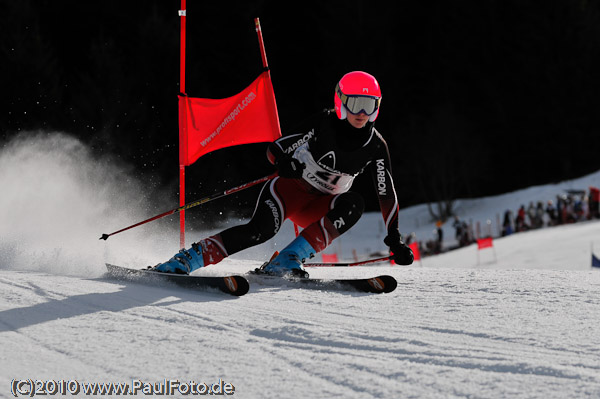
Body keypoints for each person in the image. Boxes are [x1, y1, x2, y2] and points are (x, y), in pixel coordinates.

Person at [153, 71, 414, 277]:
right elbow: (275, 148)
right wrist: (284, 162)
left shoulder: (377, 146)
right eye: (356, 103)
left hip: (321, 205)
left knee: (354, 204)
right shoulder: (324, 123)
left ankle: (288, 259)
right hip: (289, 192)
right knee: (259, 231)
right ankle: (189, 258)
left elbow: (386, 193)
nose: (361, 113)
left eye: (369, 105)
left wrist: (395, 237)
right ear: (341, 101)